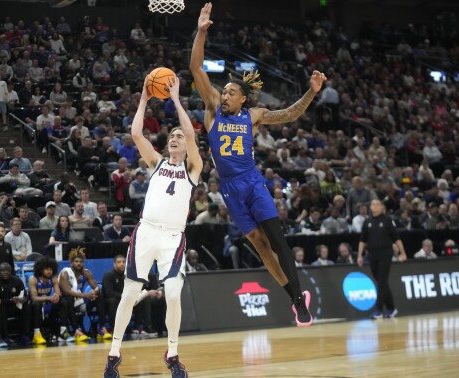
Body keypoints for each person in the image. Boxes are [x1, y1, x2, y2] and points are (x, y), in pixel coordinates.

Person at [190, 2, 325, 328]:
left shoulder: (254, 116)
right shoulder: (212, 110)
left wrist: (311, 91)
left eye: (231, 92)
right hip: (230, 191)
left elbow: (290, 114)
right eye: (224, 91)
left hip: (252, 182)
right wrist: (201, 31)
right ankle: (293, 297)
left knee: (278, 241)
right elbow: (196, 69)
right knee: (262, 248)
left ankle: (298, 299)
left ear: (243, 99)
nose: (225, 95)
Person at [104, 75, 202, 378]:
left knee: (173, 293)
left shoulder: (193, 168)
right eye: (171, 136)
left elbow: (190, 132)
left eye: (179, 136)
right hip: (146, 232)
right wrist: (145, 98)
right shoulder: (157, 163)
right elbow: (136, 134)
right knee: (129, 294)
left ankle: (173, 354)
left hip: (173, 237)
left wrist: (174, 98)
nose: (174, 138)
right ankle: (113, 354)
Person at [358, 199, 407, 319]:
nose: (374, 206)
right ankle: (391, 308)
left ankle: (378, 310)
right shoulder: (367, 222)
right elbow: (362, 240)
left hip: (385, 253)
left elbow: (396, 238)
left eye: (377, 204)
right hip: (372, 255)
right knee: (381, 282)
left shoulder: (387, 220)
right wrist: (360, 255)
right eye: (373, 204)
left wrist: (403, 253)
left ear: (381, 207)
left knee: (381, 281)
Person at [59, 249, 109, 341]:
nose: (79, 264)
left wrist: (95, 292)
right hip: (65, 302)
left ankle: (101, 328)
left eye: (81, 262)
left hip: (80, 301)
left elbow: (97, 287)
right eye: (76, 261)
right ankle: (76, 331)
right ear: (71, 263)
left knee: (100, 296)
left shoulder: (86, 273)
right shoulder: (65, 273)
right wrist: (86, 295)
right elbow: (66, 292)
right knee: (69, 298)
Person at [28, 257, 70, 344]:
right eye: (47, 269)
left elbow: (58, 293)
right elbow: (34, 298)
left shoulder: (53, 278)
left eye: (51, 269)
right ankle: (36, 334)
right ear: (40, 269)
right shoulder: (33, 279)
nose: (49, 271)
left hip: (47, 304)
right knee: (37, 303)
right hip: (35, 306)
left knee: (63, 302)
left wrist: (56, 296)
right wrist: (49, 298)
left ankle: (63, 332)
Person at [0, 263, 32, 345]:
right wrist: (10, 300)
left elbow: (26, 295)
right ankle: (5, 337)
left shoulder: (17, 281)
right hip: (3, 306)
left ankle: (24, 335)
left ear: (11, 271)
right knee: (1, 308)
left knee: (27, 306)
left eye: (7, 270)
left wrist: (23, 299)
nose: (5, 272)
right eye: (3, 270)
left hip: (16, 306)